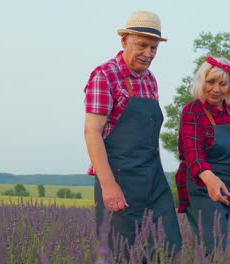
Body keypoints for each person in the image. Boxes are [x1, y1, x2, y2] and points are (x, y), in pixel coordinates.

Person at [83, 10, 182, 257]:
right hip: (120, 180)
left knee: (169, 247)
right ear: (124, 40)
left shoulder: (150, 80)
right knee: (122, 253)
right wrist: (108, 186)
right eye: (142, 45)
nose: (148, 54)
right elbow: (92, 132)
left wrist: (161, 178)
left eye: (154, 48)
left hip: (153, 180)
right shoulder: (105, 75)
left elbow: (150, 137)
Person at [175, 56, 230, 254]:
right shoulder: (192, 111)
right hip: (204, 189)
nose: (217, 89)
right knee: (217, 249)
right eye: (211, 81)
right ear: (201, 82)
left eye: (223, 83)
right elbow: (193, 155)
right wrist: (211, 181)